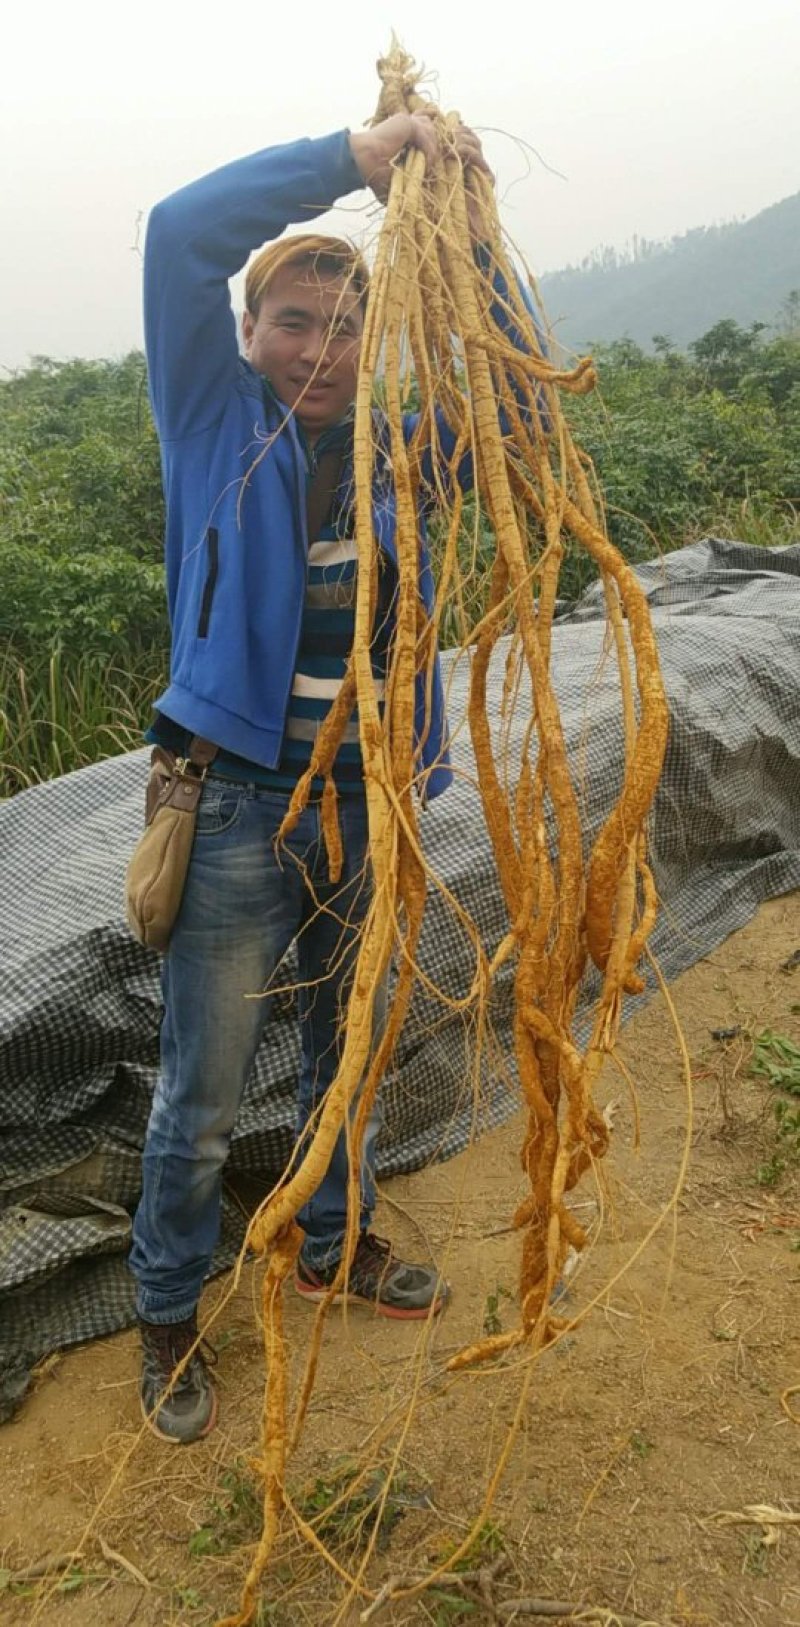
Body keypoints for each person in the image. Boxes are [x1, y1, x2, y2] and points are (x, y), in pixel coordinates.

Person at [131, 111, 532, 1444]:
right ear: (247, 335)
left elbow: (526, 414)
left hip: (375, 809)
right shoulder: (211, 417)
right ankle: (170, 1310)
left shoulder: (412, 447)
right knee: (202, 1096)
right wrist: (352, 163)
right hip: (240, 807)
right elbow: (179, 233)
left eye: (346, 320)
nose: (317, 345)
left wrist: (463, 234)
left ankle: (331, 1241)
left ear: (377, 335)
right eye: (291, 319)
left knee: (349, 1055)